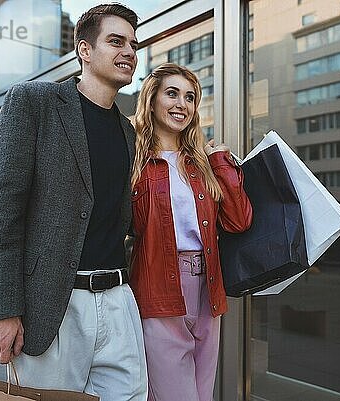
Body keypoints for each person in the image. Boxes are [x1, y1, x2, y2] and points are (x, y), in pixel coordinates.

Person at [0, 4, 147, 400]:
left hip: (119, 303)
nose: (129, 52)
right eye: (116, 41)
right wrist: (1, 310)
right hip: (53, 306)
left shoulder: (128, 132)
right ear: (84, 50)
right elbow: (0, 214)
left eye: (134, 45)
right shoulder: (34, 102)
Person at [129, 63, 253, 401]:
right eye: (172, 93)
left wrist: (221, 163)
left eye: (190, 97)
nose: (182, 104)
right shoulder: (135, 162)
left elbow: (239, 220)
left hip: (208, 289)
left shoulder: (201, 164)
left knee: (202, 395)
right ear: (152, 100)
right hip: (159, 288)